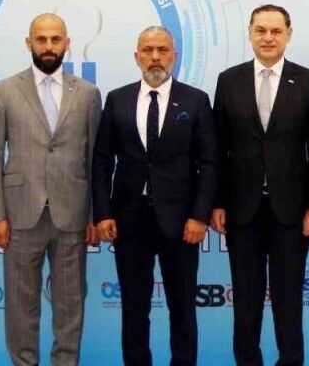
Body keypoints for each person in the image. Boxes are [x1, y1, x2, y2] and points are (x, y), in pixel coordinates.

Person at [0, 12, 101, 366]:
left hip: (72, 216)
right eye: (41, 39)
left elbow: (94, 160)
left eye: (55, 39)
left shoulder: (88, 94)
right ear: (29, 43)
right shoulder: (4, 91)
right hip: (20, 215)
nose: (48, 46)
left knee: (70, 303)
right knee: (21, 305)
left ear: (67, 43)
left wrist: (94, 215)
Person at [92, 26, 217, 366]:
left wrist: (199, 216)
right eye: (148, 50)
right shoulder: (117, 99)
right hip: (130, 220)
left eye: (162, 50)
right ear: (137, 57)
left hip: (181, 222)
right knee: (134, 307)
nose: (155, 57)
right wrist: (102, 213)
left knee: (183, 306)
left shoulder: (195, 100)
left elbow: (209, 163)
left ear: (174, 56)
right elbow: (102, 161)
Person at [210, 4, 309, 366]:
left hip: (291, 212)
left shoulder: (308, 81)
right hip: (242, 210)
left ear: (289, 35)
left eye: (276, 31)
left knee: (288, 301)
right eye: (261, 30)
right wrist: (217, 202)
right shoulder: (228, 81)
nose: (268, 38)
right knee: (246, 301)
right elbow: (217, 149)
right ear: (249, 34)